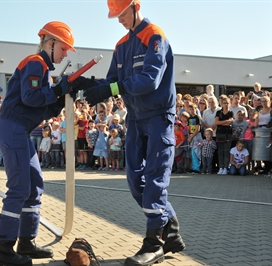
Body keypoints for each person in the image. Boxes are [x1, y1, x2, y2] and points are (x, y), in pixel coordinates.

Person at [80, 1, 186, 264]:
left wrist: (111, 89)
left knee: (154, 179)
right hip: (135, 119)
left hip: (159, 117)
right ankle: (170, 230)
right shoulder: (120, 46)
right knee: (134, 179)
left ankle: (154, 243)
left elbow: (149, 79)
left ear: (135, 7)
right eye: (115, 15)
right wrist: (89, 85)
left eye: (122, 13)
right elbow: (111, 82)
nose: (119, 20)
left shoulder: (155, 36)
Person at [0, 21, 80, 266]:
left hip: (20, 131)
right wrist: (57, 89)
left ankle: (26, 242)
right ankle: (3, 251)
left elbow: (44, 107)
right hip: (13, 129)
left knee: (34, 186)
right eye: (63, 49)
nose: (65, 55)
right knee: (20, 188)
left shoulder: (43, 69)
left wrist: (64, 95)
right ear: (49, 43)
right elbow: (30, 98)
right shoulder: (35, 62)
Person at [215, 96, 233, 175]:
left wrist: (222, 122)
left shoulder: (230, 113)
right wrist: (226, 121)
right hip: (219, 133)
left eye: (227, 103)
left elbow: (230, 123)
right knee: (220, 151)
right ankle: (220, 167)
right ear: (222, 104)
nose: (225, 105)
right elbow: (216, 122)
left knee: (226, 151)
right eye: (224, 103)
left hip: (228, 134)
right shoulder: (218, 112)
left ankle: (225, 167)